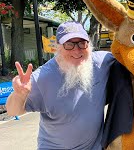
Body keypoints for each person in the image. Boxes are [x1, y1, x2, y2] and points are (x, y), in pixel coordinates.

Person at [6, 21, 115, 149]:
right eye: (69, 44)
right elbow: (13, 111)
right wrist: (19, 94)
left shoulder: (103, 62)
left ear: (88, 44)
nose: (77, 50)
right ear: (58, 47)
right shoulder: (42, 77)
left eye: (82, 43)